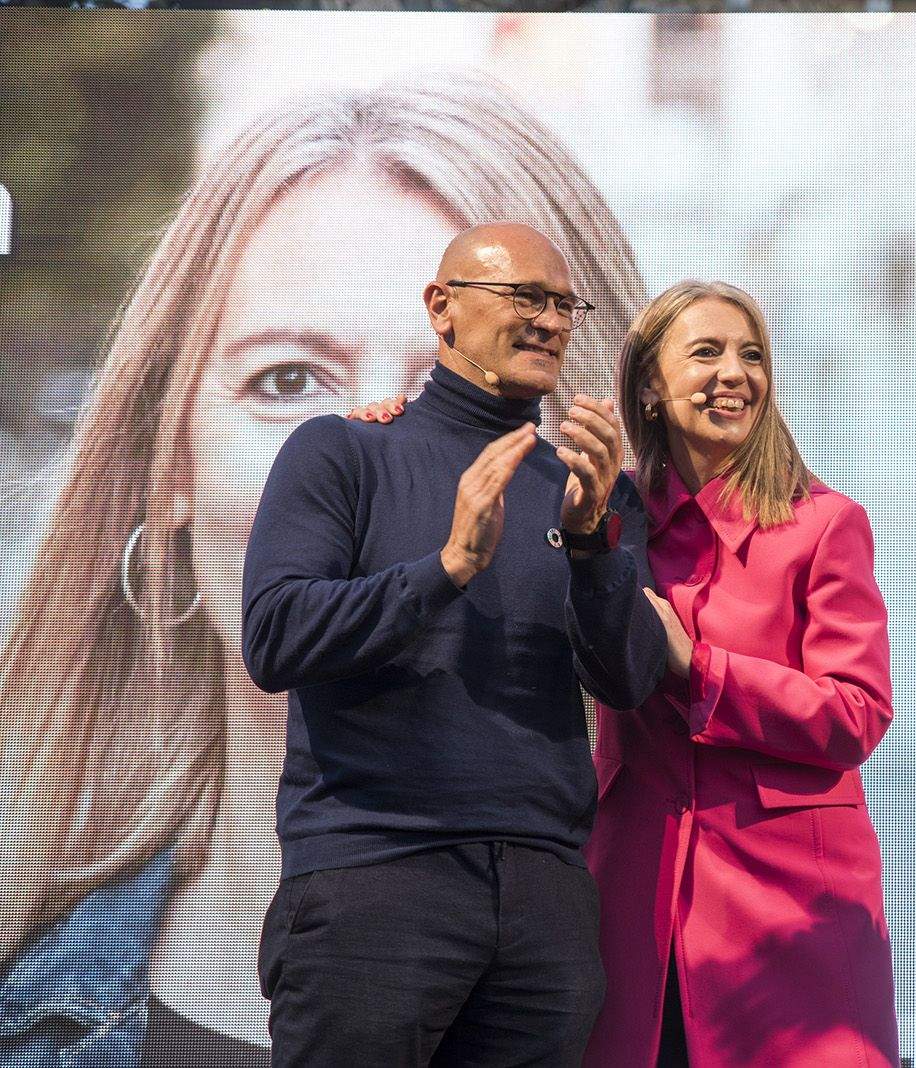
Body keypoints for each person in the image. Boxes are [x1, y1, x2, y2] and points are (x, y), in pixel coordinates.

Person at [0, 75, 647, 1067]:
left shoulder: (710, 1009)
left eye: (465, 386)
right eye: (288, 380)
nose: (382, 463)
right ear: (168, 466)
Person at [348, 279, 899, 1066]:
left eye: (751, 355)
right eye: (705, 352)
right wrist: (395, 432)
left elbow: (857, 713)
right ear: (648, 383)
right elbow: (472, 501)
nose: (734, 373)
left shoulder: (825, 522)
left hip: (792, 909)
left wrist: (700, 669)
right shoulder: (603, 511)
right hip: (637, 893)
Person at [243, 220, 664, 1066]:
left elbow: (631, 680)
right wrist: (446, 568)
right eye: (524, 297)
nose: (550, 321)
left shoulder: (592, 490)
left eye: (564, 305)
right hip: (375, 877)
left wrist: (592, 545)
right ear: (442, 307)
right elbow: (275, 635)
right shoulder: (345, 450)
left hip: (545, 898)